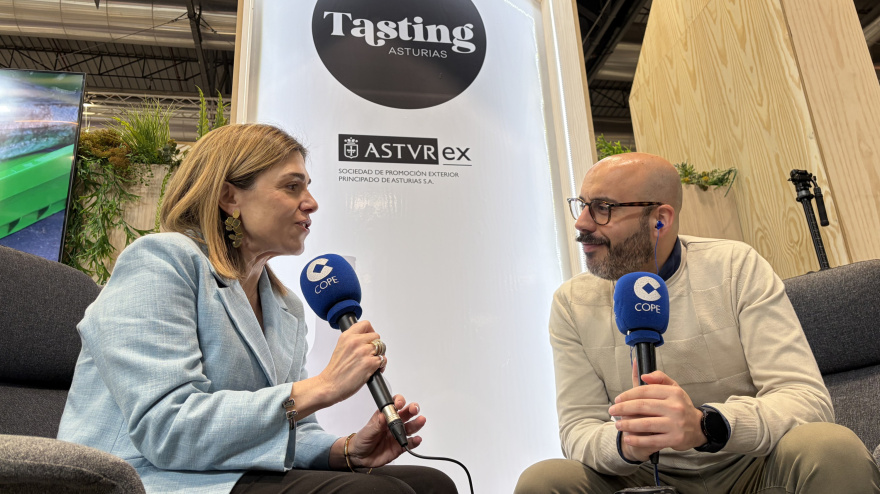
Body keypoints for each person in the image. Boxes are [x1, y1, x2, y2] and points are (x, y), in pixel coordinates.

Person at [57, 123, 457, 494]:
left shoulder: (287, 308)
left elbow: (285, 431)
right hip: (141, 477)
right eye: (292, 186)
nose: (312, 203)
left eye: (308, 187)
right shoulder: (161, 262)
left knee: (431, 483)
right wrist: (322, 386)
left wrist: (346, 450)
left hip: (229, 473)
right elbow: (168, 429)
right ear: (230, 197)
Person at [515, 152, 880, 493]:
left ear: (660, 218)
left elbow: (807, 401)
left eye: (603, 208)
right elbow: (578, 429)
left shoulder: (735, 267)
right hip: (639, 473)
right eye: (582, 206)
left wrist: (705, 425)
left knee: (830, 447)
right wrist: (627, 443)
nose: (581, 223)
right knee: (545, 480)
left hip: (750, 464)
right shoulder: (570, 302)